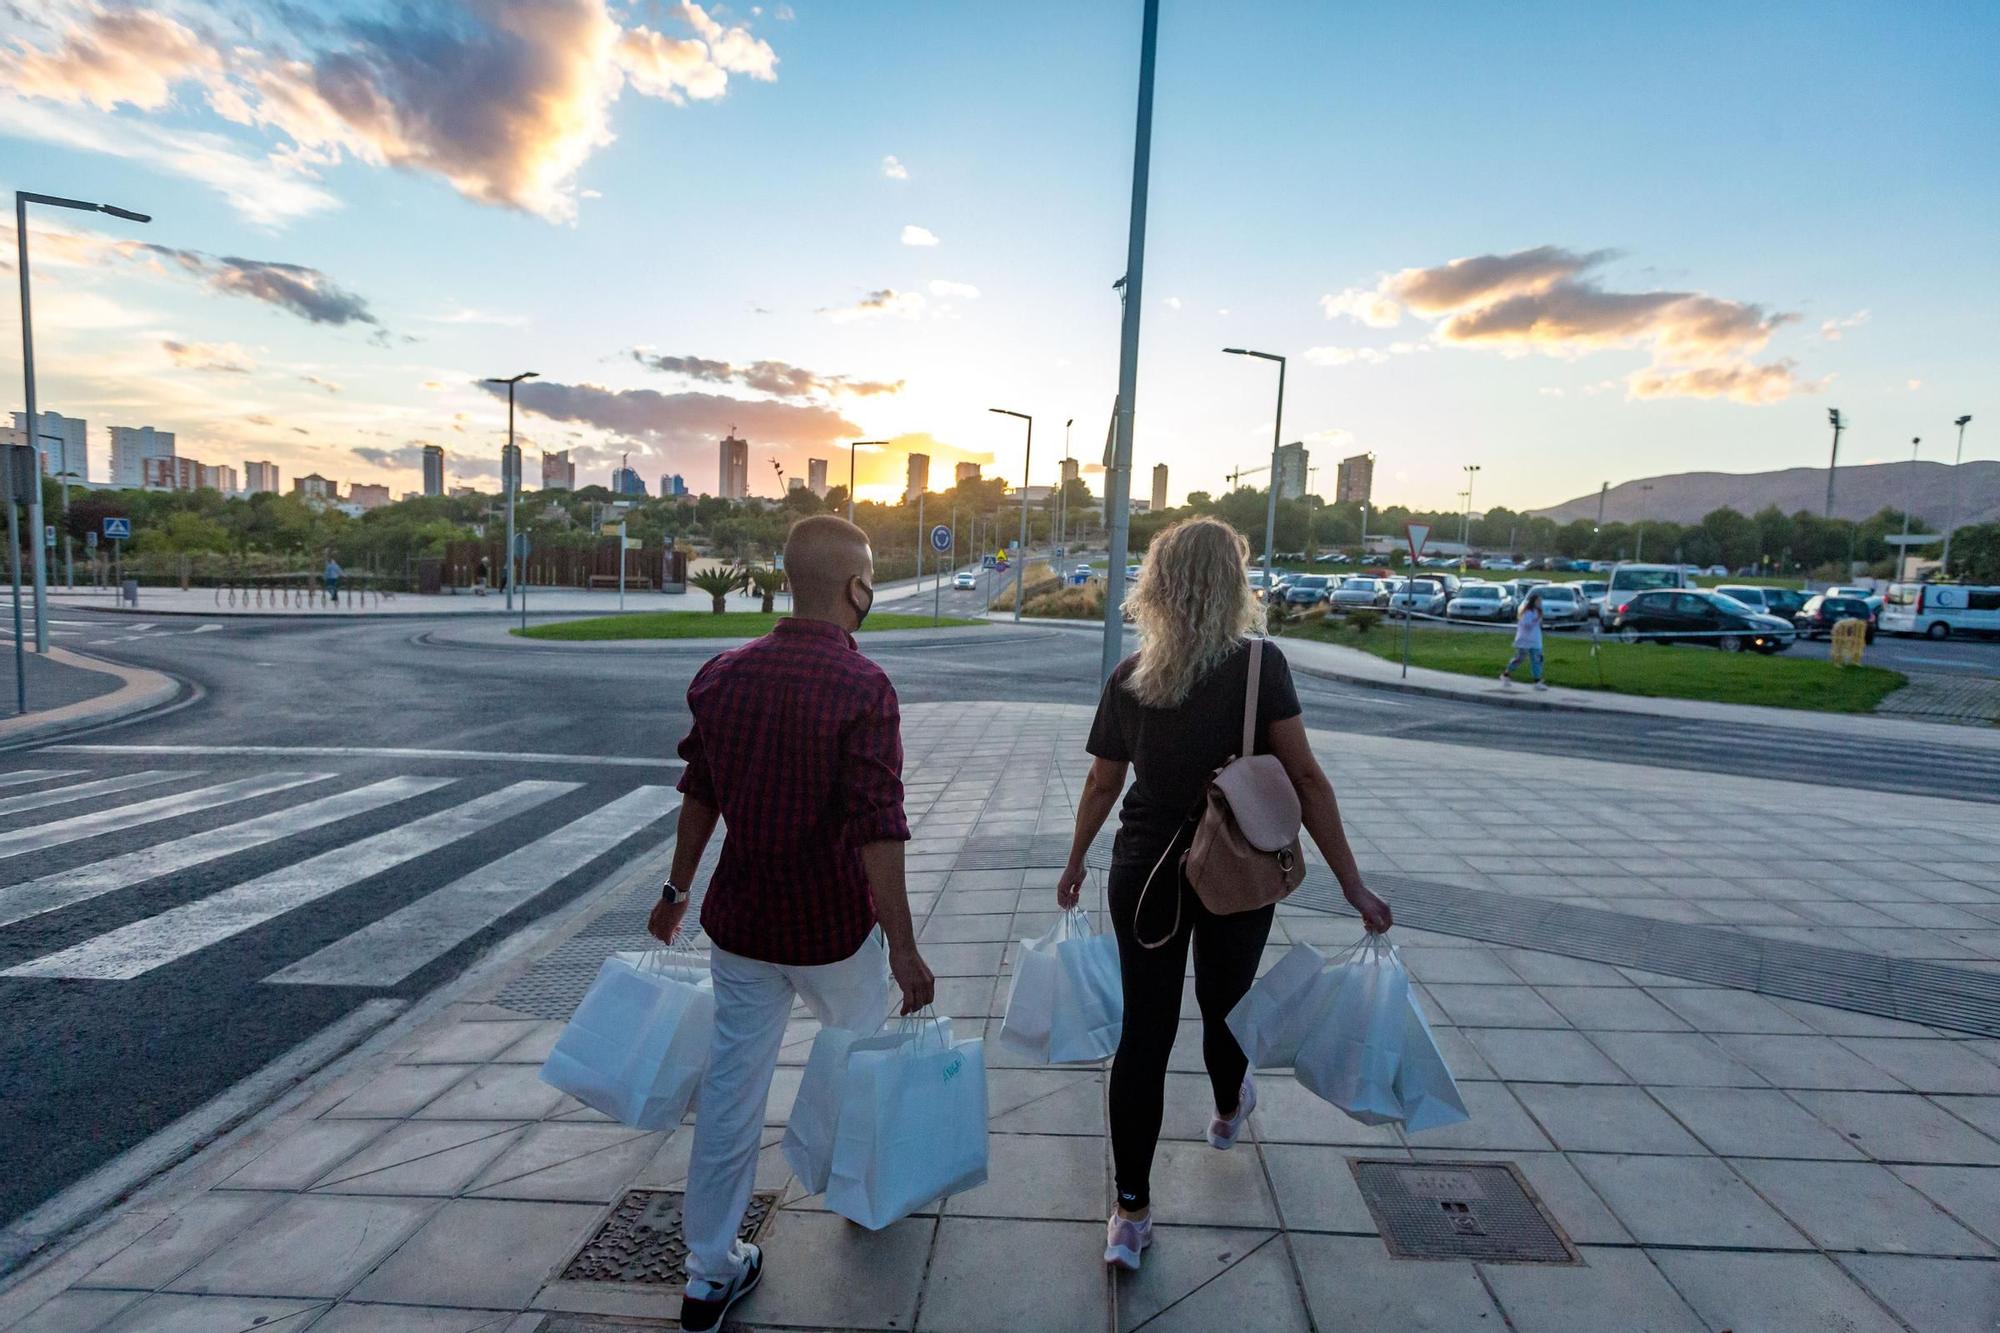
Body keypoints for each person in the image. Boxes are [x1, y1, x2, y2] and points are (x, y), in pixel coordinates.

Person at [1054, 516, 1393, 1273]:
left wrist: (1074, 861)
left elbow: (1103, 782)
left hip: (1143, 868)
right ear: (1231, 585)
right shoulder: (1260, 666)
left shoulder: (1131, 675)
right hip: (1236, 860)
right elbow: (1305, 777)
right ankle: (1224, 1107)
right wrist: (1352, 882)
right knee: (1224, 1001)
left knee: (1144, 1032)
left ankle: (1129, 1214)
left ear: (1159, 585)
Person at [648, 513, 935, 1332]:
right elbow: (879, 825)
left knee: (733, 1091)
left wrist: (674, 891)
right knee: (856, 1052)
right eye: (871, 581)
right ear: (857, 588)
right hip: (835, 931)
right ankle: (856, 1189)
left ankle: (709, 1272)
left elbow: (699, 791)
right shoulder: (863, 687)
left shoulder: (722, 675)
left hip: (741, 925)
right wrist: (906, 948)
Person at [1501, 589, 1547, 690]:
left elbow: (1538, 626)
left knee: (1537, 660)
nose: (1540, 603)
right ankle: (1506, 674)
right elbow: (1527, 625)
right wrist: (1536, 619)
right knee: (1519, 658)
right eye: (1538, 601)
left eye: (1540, 602)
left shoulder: (1538, 612)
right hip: (1525, 640)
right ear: (1533, 602)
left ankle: (1537, 681)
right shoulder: (1527, 612)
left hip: (1535, 640)